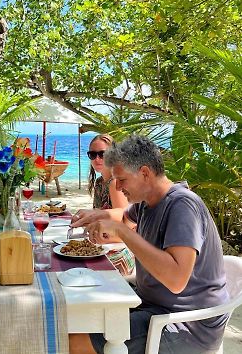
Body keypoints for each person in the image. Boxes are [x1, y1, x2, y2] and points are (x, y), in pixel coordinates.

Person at [88, 134, 229, 354]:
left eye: (122, 180)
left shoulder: (182, 206)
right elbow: (125, 222)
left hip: (187, 324)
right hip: (152, 305)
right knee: (87, 315)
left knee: (80, 339)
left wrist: (122, 232)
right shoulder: (146, 202)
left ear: (144, 173)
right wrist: (104, 227)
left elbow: (176, 280)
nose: (118, 187)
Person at [70, 134, 130, 239]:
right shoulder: (99, 182)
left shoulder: (115, 183)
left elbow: (125, 221)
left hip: (116, 245)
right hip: (103, 241)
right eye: (92, 154)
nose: (97, 159)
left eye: (102, 154)